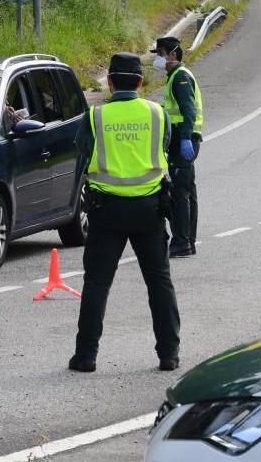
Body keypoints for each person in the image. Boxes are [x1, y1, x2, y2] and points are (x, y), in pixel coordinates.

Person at [69, 52, 181, 373]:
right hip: (150, 211)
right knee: (159, 283)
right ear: (142, 82)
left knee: (97, 284)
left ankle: (86, 356)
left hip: (107, 213)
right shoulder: (157, 114)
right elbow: (166, 148)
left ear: (109, 82)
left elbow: (83, 151)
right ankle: (168, 354)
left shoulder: (95, 117)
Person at [150, 36, 203, 258]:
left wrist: (184, 138)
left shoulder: (180, 77)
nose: (159, 58)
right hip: (185, 138)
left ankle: (182, 241)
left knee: (180, 193)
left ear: (173, 54)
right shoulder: (176, 76)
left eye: (161, 53)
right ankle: (188, 241)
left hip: (184, 140)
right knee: (187, 190)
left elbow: (188, 110)